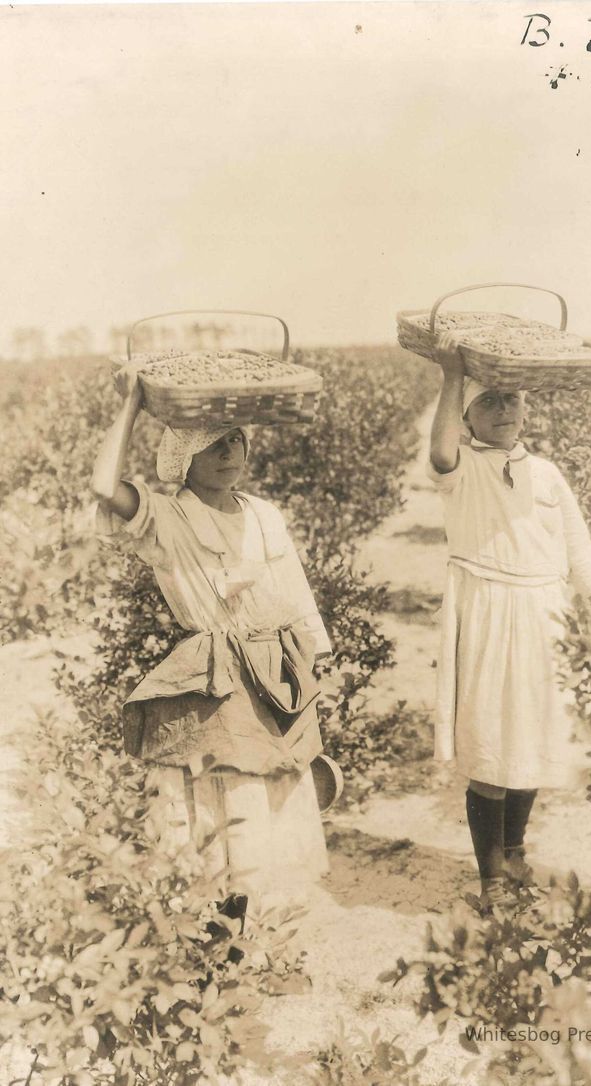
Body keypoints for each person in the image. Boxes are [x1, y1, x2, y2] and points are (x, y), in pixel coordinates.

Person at [90, 363, 332, 921]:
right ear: (184, 460)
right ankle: (218, 925)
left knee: (270, 783)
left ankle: (261, 928)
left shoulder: (264, 515)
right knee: (223, 787)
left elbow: (293, 589)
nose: (228, 453)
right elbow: (104, 487)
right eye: (213, 445)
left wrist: (317, 658)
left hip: (275, 667)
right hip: (217, 670)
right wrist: (129, 406)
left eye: (236, 442)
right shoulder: (169, 517)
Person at [427, 332, 591, 909]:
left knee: (530, 739)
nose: (505, 410)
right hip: (486, 610)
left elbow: (581, 555)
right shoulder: (461, 467)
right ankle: (491, 880)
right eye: (490, 401)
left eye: (513, 399)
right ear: (466, 417)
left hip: (543, 612)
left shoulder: (547, 474)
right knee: (491, 741)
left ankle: (513, 854)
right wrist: (452, 374)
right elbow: (438, 453)